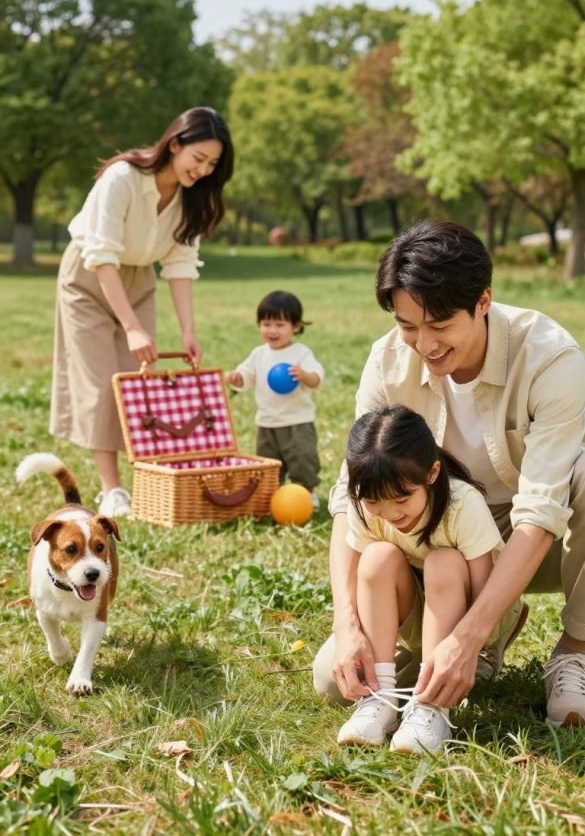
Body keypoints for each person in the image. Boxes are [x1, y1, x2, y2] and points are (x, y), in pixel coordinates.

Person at [313, 220, 585, 727]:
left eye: (440, 325)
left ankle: (575, 649)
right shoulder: (387, 362)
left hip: (534, 539)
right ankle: (454, 645)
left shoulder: (552, 358)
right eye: (408, 325)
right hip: (431, 537)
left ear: (483, 301)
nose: (424, 344)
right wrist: (346, 623)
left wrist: (470, 636)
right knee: (334, 678)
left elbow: (541, 512)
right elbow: (351, 494)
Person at [49, 106, 234, 516]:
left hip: (138, 280)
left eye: (212, 164)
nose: (203, 170)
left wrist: (188, 331)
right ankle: (111, 489)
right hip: (90, 275)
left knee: (136, 380)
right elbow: (102, 257)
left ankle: (144, 477)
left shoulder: (192, 200)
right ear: (174, 144)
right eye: (198, 158)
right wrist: (132, 328)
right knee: (103, 383)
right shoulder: (123, 179)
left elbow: (181, 266)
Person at [336, 405, 526, 753]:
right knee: (377, 557)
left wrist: (468, 649)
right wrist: (350, 634)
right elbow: (362, 579)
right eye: (375, 501)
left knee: (444, 560)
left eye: (402, 498)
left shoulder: (461, 505)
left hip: (477, 616)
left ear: (433, 473)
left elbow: (484, 594)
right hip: (420, 611)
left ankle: (430, 706)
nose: (391, 514)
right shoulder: (364, 506)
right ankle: (381, 698)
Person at [225, 291, 324, 507]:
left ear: (296, 326)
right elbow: (246, 378)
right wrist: (236, 378)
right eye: (266, 324)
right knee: (268, 462)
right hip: (267, 422)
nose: (272, 330)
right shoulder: (259, 354)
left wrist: (304, 376)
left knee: (302, 459)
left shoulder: (300, 353)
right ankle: (271, 493)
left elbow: (317, 378)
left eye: (280, 324)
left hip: (297, 422)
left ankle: (306, 491)